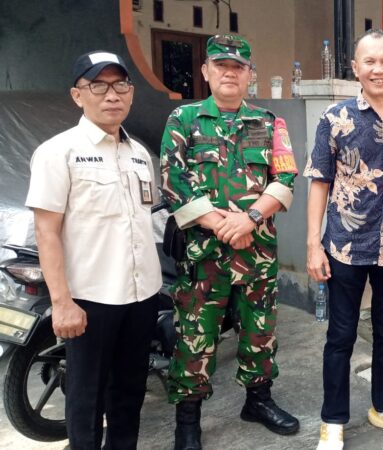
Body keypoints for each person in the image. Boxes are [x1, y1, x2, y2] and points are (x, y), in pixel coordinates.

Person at [159, 34, 299, 450]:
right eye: (221, 65)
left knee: (260, 331)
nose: (229, 73)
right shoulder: (183, 120)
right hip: (204, 256)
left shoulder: (269, 122)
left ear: (249, 75)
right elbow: (172, 179)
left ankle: (258, 401)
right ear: (206, 71)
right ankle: (188, 421)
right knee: (195, 337)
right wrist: (219, 223)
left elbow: (285, 177)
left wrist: (249, 219)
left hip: (256, 252)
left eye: (238, 67)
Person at [25, 51, 162, 449]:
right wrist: (61, 302)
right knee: (87, 397)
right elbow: (46, 232)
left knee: (129, 392)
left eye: (121, 85)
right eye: (98, 86)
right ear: (77, 95)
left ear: (131, 92)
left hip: (142, 294)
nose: (112, 95)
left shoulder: (139, 154)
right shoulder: (58, 152)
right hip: (90, 299)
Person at [304, 29, 383, 450]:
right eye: (370, 62)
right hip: (345, 245)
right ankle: (333, 420)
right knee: (340, 335)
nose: (378, 69)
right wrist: (313, 244)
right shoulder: (335, 118)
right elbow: (319, 182)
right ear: (356, 68)